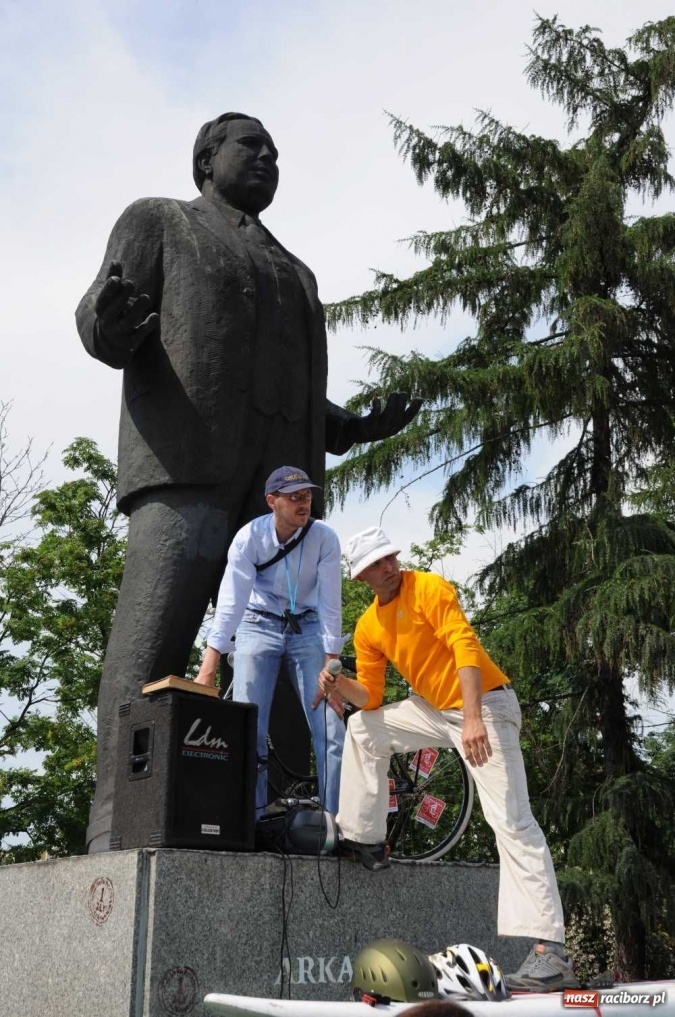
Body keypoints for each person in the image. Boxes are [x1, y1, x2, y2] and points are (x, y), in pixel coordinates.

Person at [75, 111, 420, 852]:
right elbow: (103, 321)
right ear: (206, 159)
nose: (266, 158)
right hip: (187, 472)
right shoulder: (160, 222)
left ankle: (286, 813)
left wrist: (356, 426)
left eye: (275, 152)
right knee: (152, 643)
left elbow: (294, 394)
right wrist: (110, 321)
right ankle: (114, 816)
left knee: (294, 661)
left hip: (282, 499)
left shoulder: (297, 274)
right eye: (249, 146)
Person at [315, 526, 579, 993]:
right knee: (362, 728)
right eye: (378, 564)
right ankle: (366, 837)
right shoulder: (369, 627)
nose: (390, 567)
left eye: (391, 557)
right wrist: (339, 686)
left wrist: (474, 717)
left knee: (512, 822)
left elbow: (465, 646)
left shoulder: (428, 587)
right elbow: (370, 698)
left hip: (486, 706)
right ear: (361, 577)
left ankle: (550, 954)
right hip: (434, 710)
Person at [194, 465, 345, 815]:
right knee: (250, 726)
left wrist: (331, 666)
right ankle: (253, 820)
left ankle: (333, 822)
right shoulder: (249, 538)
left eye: (307, 496)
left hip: (307, 627)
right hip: (257, 622)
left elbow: (330, 603)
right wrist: (209, 665)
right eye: (294, 498)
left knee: (329, 726)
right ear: (272, 501)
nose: (303, 504)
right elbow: (231, 601)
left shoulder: (324, 538)